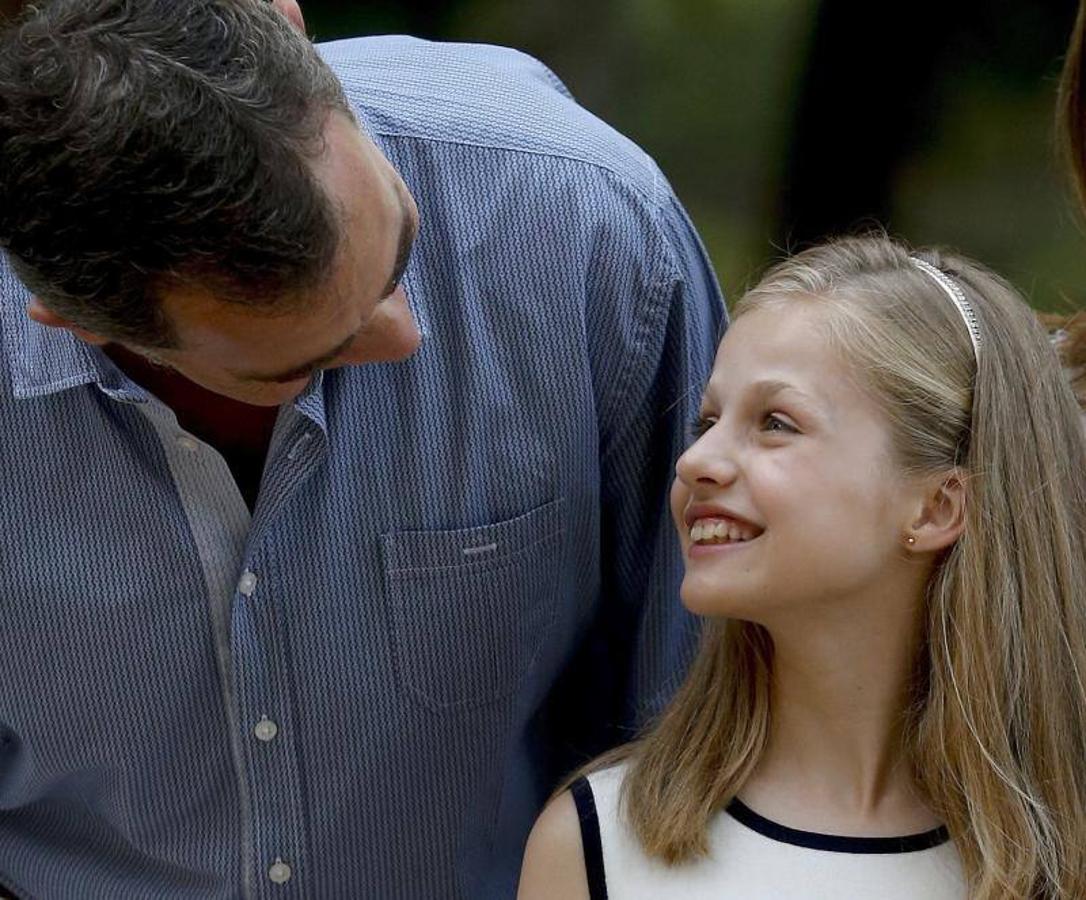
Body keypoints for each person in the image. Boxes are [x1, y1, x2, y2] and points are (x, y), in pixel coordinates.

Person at [0, 1, 723, 897]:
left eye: (402, 243)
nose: (405, 334)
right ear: (77, 320)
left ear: (288, 24)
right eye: (306, 360)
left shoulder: (589, 224)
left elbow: (714, 702)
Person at [519, 235, 1086, 899]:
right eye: (708, 421)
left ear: (937, 507)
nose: (695, 461)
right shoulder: (598, 847)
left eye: (776, 423)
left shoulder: (1065, 854)